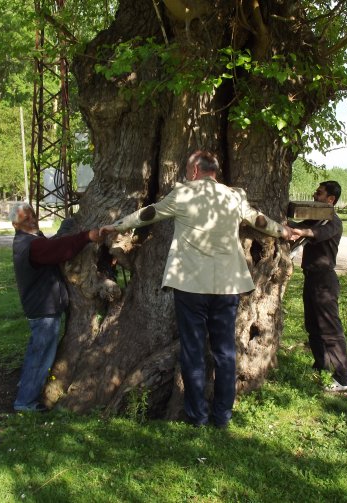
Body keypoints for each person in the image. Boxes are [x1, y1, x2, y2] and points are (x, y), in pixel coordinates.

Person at [101, 150, 290, 428]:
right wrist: (283, 232)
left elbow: (147, 214)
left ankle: (197, 417)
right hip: (227, 285)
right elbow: (258, 220)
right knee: (225, 352)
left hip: (190, 285)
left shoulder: (183, 195)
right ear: (214, 171)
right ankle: (223, 416)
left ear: (193, 172)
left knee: (193, 351)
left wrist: (116, 225)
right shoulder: (234, 196)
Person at [10, 203, 103, 412]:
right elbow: (58, 250)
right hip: (43, 310)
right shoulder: (31, 245)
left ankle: (26, 388)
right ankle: (25, 402)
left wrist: (66, 228)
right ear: (16, 224)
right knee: (40, 356)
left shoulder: (30, 240)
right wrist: (87, 236)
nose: (32, 220)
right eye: (26, 219)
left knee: (38, 353)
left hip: (42, 308)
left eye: (33, 215)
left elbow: (52, 245)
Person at [287, 181, 347, 392]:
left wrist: (297, 231)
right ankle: (321, 366)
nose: (315, 195)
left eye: (320, 193)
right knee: (313, 326)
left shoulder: (332, 221)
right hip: (312, 278)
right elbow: (300, 228)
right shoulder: (317, 220)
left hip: (324, 281)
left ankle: (343, 379)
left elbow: (313, 234)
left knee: (330, 330)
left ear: (330, 199)